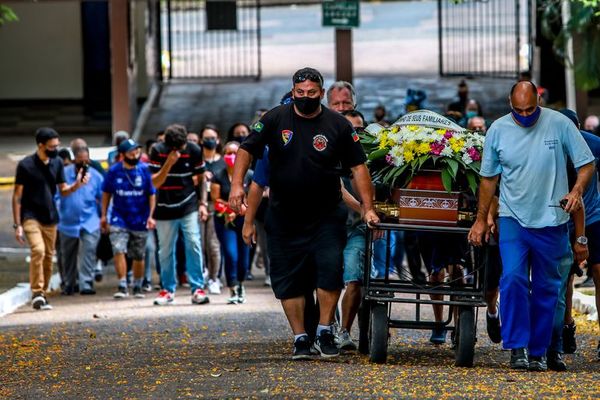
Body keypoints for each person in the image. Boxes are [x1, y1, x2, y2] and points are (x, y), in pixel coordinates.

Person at [229, 67, 380, 360]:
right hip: (284, 215)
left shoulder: (338, 124)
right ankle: (300, 337)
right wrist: (236, 186)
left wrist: (368, 207)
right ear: (293, 91)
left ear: (321, 94)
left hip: (326, 214)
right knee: (288, 279)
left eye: (312, 94)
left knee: (329, 272)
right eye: (300, 93)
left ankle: (324, 330)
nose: (306, 98)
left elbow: (359, 168)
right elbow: (247, 151)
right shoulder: (274, 119)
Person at [468, 81, 595, 371]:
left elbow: (587, 164)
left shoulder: (560, 124)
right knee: (512, 279)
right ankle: (517, 348)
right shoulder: (498, 130)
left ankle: (540, 351)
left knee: (546, 288)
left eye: (530, 109)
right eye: (519, 110)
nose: (525, 116)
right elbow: (488, 179)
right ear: (509, 104)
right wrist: (480, 219)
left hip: (552, 220)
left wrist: (576, 191)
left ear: (538, 100)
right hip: (513, 218)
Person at [13, 127, 89, 310]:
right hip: (30, 216)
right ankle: (37, 291)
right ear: (41, 145)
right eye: (51, 146)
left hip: (50, 217)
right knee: (38, 250)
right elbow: (17, 196)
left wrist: (77, 185)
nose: (55, 149)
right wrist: (17, 224)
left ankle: (42, 294)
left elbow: (63, 190)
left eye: (57, 146)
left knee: (48, 256)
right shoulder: (25, 165)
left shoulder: (56, 164)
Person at [550, 109, 600, 364]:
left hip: (592, 214)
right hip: (562, 216)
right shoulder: (551, 147)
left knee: (599, 270)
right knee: (564, 276)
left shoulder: (593, 144)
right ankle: (566, 326)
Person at [149, 124, 210, 306]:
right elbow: (155, 183)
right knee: (166, 250)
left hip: (188, 204)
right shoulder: (157, 150)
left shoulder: (194, 150)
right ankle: (167, 289)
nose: (182, 149)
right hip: (164, 207)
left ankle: (197, 288)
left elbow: (201, 179)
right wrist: (169, 163)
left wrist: (203, 203)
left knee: (193, 243)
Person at [101, 139, 156, 298]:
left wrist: (151, 216)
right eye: (132, 152)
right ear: (123, 154)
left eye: (137, 151)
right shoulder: (114, 171)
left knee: (139, 254)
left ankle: (138, 285)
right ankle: (122, 284)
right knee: (118, 249)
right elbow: (106, 194)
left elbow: (151, 194)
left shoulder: (144, 170)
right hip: (119, 217)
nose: (135, 154)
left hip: (140, 217)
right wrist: (104, 215)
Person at [57, 146, 104, 296]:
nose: (83, 164)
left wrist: (104, 217)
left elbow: (104, 198)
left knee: (88, 251)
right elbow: (55, 196)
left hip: (90, 221)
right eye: (79, 161)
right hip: (67, 221)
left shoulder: (96, 176)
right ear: (73, 160)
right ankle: (69, 283)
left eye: (86, 161)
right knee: (67, 255)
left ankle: (86, 283)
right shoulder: (63, 174)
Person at [211, 142, 253, 304]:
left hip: (244, 219)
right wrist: (231, 209)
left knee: (243, 257)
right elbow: (216, 198)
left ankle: (241, 283)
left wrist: (242, 209)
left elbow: (252, 196)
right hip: (224, 220)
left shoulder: (249, 175)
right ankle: (233, 287)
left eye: (235, 152)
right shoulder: (218, 175)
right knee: (230, 253)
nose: (231, 156)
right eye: (228, 152)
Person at [200, 125, 226, 294]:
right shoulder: (197, 161)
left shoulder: (223, 161)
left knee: (213, 244)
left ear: (217, 140)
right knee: (199, 244)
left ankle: (214, 278)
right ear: (201, 141)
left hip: (216, 205)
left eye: (212, 137)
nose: (209, 140)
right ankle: (200, 275)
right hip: (198, 205)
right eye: (206, 137)